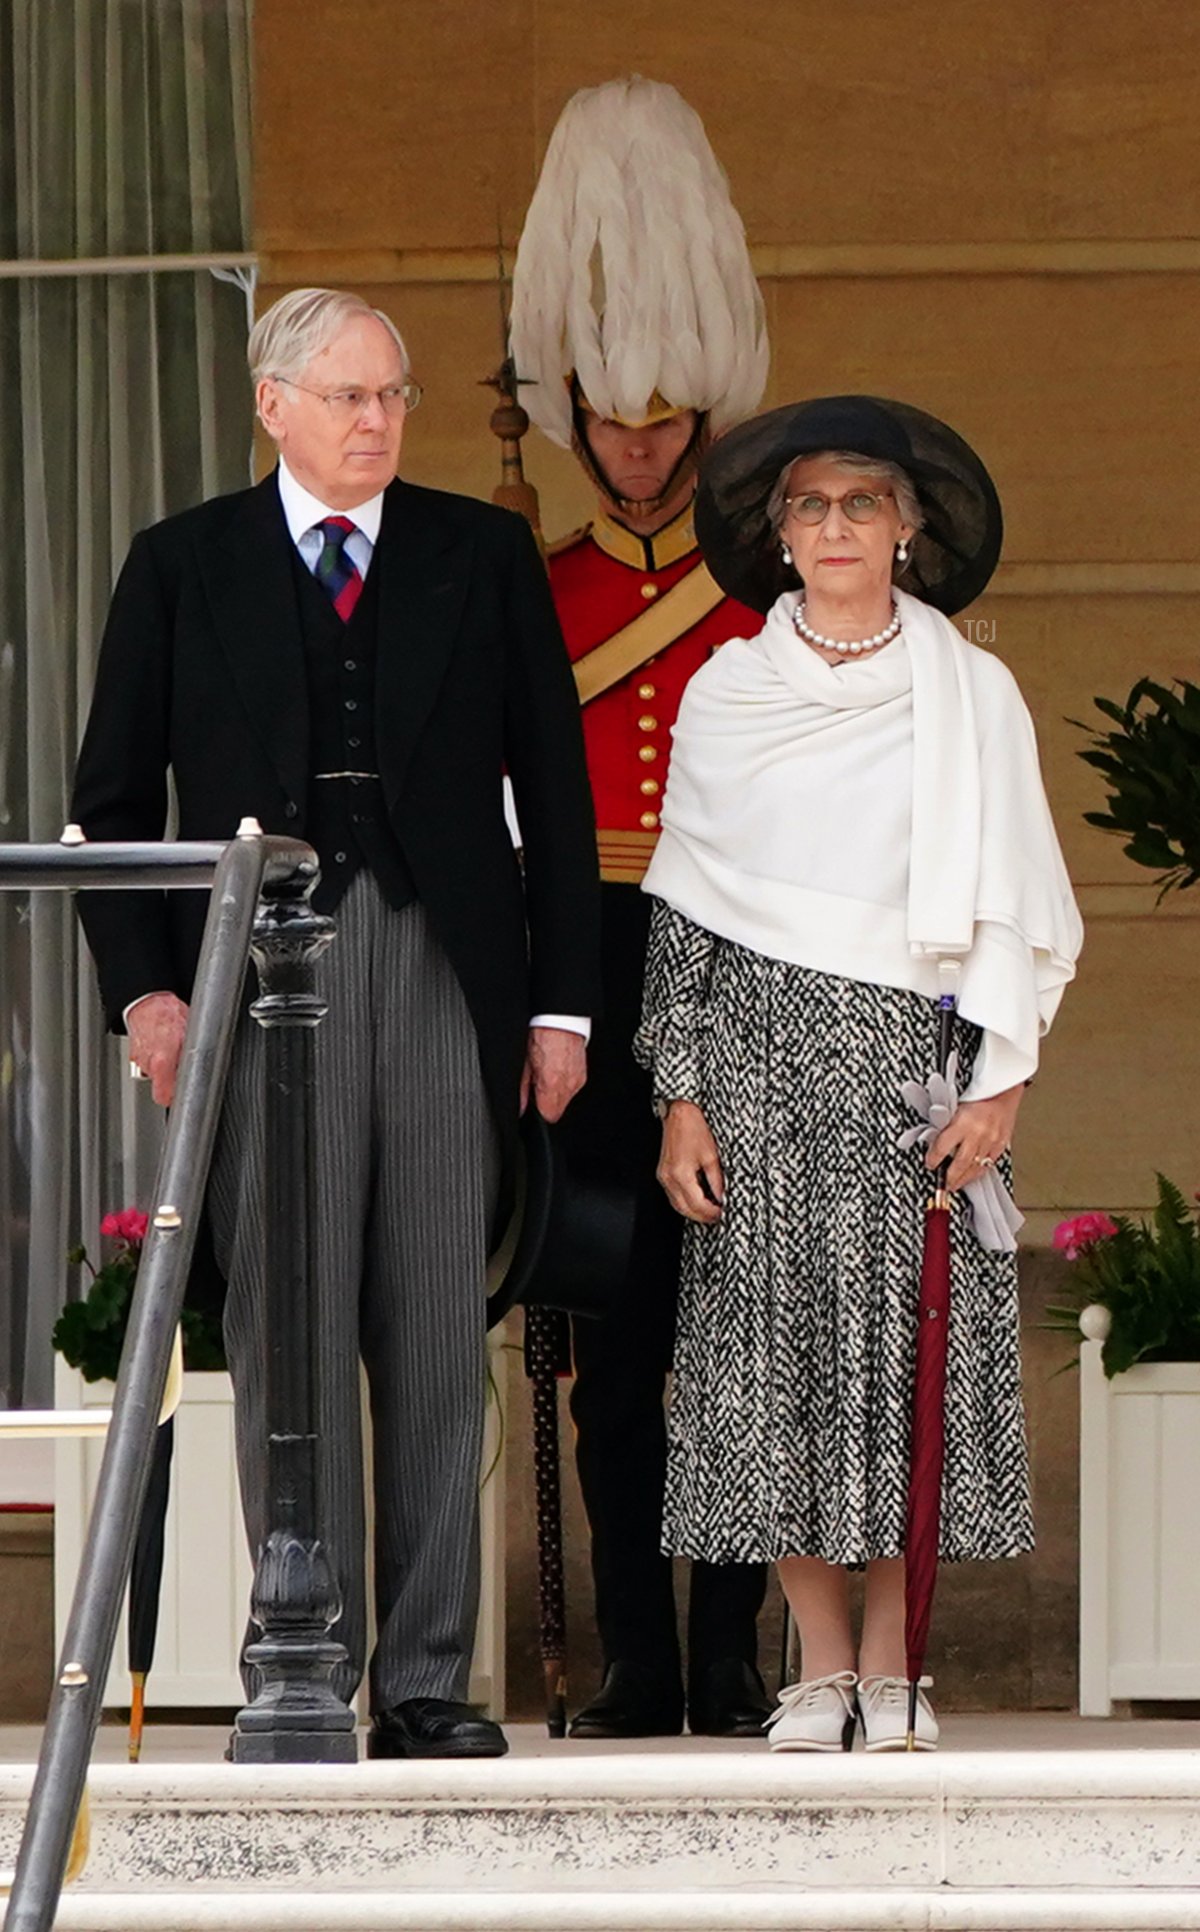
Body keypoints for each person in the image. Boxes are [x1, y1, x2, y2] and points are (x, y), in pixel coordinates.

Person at [70, 287, 600, 1760]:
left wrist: (559, 1004)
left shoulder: (481, 553)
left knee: (435, 1319)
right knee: (286, 1323)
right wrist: (151, 988)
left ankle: (430, 1678)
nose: (378, 422)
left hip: (441, 961)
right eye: (350, 397)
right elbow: (112, 808)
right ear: (274, 405)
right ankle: (297, 1657)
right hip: (255, 973)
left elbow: (552, 787)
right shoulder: (180, 564)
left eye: (395, 397)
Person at [634, 394, 1083, 1752]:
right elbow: (686, 907)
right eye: (810, 506)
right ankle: (819, 1663)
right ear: (779, 536)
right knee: (767, 1369)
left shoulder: (973, 691)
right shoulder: (727, 690)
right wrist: (679, 1096)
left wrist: (1001, 1086)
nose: (836, 528)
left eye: (863, 504)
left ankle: (897, 1660)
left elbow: (1019, 902)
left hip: (914, 1072)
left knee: (902, 1363)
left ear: (909, 529)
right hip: (756, 1067)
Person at [507, 77, 773, 1739]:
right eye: (614, 417)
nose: (643, 441)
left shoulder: (769, 590)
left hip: (740, 955)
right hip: (589, 970)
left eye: (668, 416)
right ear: (576, 415)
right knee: (611, 1332)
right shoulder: (535, 590)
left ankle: (735, 1652)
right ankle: (633, 1655)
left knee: (737, 1338)